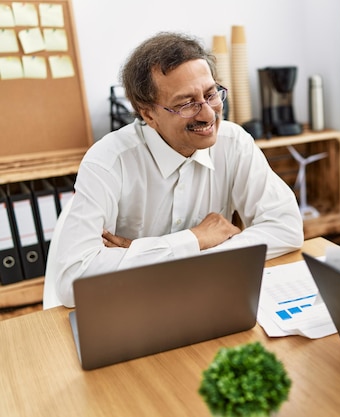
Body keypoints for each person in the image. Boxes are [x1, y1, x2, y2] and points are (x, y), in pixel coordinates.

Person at [45, 32, 304, 308]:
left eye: (210, 94)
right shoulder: (108, 161)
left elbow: (287, 228)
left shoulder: (234, 142)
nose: (208, 114)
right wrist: (196, 238)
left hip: (205, 297)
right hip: (131, 307)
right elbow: (74, 280)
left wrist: (149, 254)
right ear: (148, 115)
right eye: (186, 104)